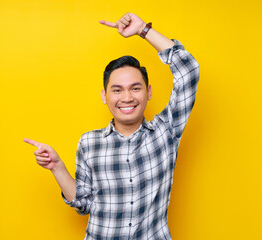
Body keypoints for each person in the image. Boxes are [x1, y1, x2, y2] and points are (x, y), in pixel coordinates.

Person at [24, 12, 199, 240]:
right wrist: (57, 167)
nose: (127, 97)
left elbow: (188, 70)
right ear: (105, 96)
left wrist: (143, 31)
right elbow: (83, 205)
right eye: (117, 90)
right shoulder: (89, 143)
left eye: (135, 88)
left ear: (148, 93)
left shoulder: (166, 130)